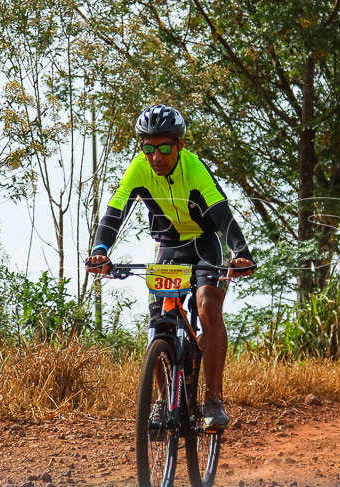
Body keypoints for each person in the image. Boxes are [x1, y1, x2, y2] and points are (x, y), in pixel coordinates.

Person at [86, 105, 255, 430]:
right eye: (148, 147)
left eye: (164, 147)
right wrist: (100, 250)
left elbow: (222, 215)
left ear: (180, 145)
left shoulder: (194, 169)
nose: (155, 156)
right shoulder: (139, 168)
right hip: (170, 248)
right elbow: (115, 211)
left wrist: (241, 252)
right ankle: (163, 402)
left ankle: (212, 399)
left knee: (207, 307)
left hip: (205, 245)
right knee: (159, 319)